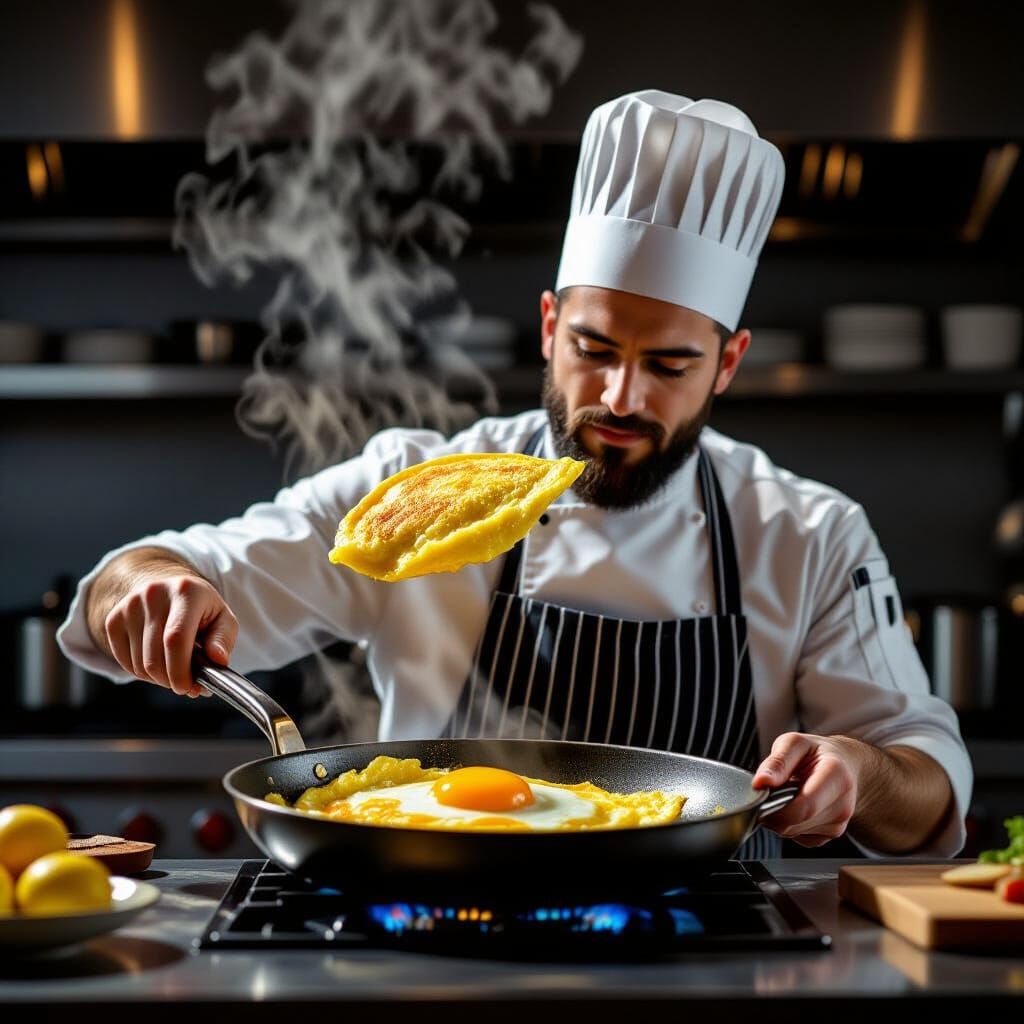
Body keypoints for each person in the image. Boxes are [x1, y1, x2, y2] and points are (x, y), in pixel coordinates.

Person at [58, 91, 971, 858]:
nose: (619, 396)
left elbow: (925, 780)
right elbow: (169, 570)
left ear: (728, 363)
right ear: (546, 326)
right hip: (436, 926)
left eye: (670, 366)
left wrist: (858, 771)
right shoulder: (421, 490)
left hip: (718, 942)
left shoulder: (808, 533)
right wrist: (147, 588)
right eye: (592, 347)